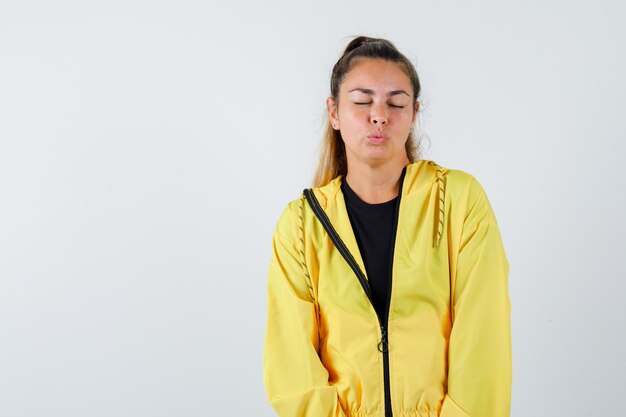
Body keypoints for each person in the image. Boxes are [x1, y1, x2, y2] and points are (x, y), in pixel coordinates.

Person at [263, 36, 512, 417]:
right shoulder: (301, 225)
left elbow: (484, 341)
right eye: (362, 101)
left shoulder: (460, 201)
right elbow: (293, 371)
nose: (378, 115)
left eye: (396, 103)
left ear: (413, 113)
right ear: (333, 112)